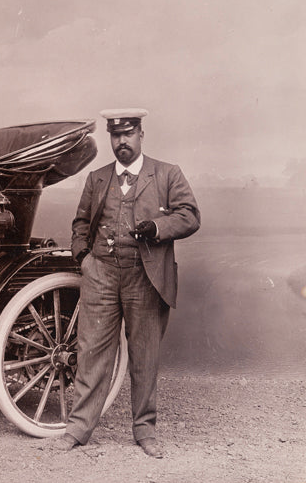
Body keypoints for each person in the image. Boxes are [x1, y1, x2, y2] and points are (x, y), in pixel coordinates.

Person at [55, 108, 200, 458]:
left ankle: (144, 430)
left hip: (145, 277)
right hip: (101, 275)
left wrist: (157, 228)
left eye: (128, 135)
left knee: (144, 356)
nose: (122, 142)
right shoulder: (97, 178)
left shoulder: (166, 174)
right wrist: (83, 259)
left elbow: (191, 215)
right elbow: (80, 223)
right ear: (110, 139)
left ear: (140, 135)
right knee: (90, 353)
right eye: (115, 136)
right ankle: (78, 429)